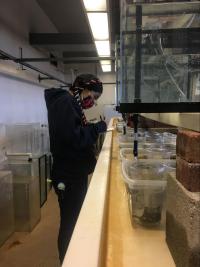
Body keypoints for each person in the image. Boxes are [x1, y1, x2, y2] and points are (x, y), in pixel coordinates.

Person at [44, 73, 107, 264]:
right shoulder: (65, 103)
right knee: (69, 224)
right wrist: (97, 129)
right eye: (93, 96)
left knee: (74, 219)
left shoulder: (70, 104)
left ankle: (73, 258)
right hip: (68, 176)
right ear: (83, 88)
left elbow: (75, 133)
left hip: (73, 174)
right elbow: (74, 140)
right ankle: (67, 261)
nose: (93, 102)